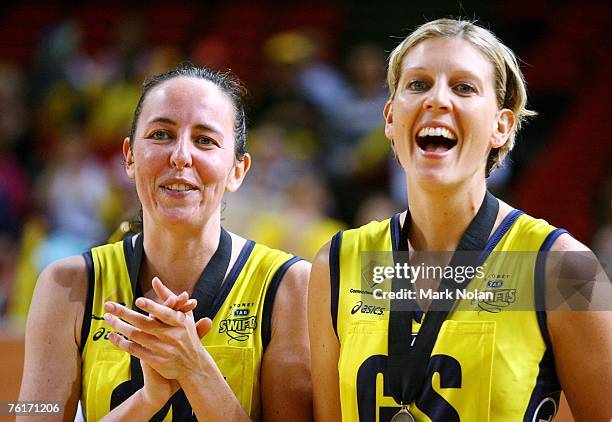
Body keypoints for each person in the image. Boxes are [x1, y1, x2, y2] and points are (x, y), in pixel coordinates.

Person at [308, 18, 612, 422]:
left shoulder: (568, 268)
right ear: (390, 117)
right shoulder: (338, 262)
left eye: (464, 87)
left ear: (501, 127)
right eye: (417, 84)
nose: (436, 100)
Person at [19, 65, 312, 421]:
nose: (180, 156)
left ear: (238, 170)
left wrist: (195, 371)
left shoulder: (290, 285)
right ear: (129, 156)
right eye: (161, 134)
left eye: (205, 140)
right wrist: (147, 399)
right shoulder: (65, 285)